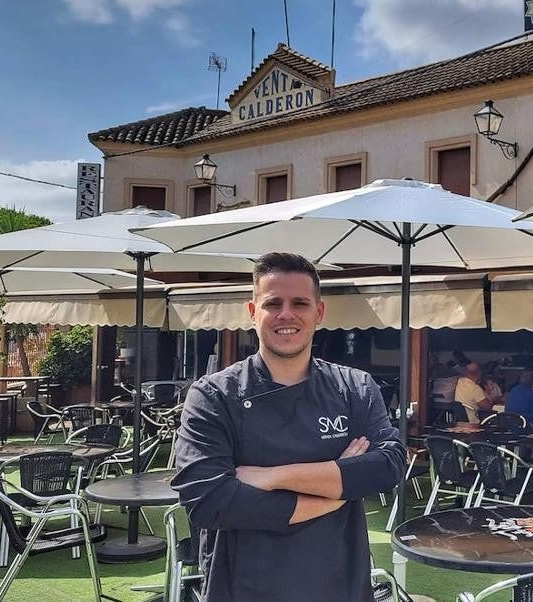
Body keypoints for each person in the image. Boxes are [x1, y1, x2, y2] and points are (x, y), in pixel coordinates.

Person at [172, 253, 406, 602]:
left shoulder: (354, 387)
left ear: (319, 313)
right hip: (243, 588)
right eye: (273, 303)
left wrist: (273, 477)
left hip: (340, 585)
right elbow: (210, 501)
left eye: (300, 303)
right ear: (253, 313)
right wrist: (338, 488)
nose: (286, 314)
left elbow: (389, 464)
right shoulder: (214, 396)